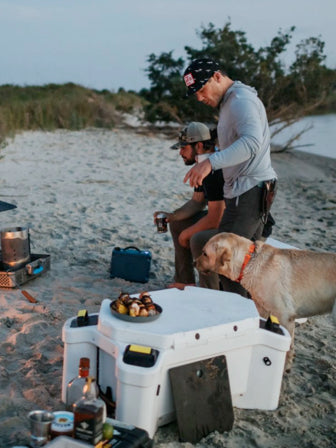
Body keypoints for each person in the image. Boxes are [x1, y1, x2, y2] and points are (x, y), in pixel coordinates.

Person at [183, 58, 277, 296]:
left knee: (227, 264)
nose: (199, 98)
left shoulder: (240, 101)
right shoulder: (230, 102)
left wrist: (210, 164)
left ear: (217, 76)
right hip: (244, 192)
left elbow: (252, 142)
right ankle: (243, 317)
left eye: (201, 90)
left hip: (249, 192)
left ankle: (231, 320)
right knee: (243, 264)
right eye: (195, 93)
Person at [154, 122, 225, 290]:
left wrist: (187, 234)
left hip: (238, 220)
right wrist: (172, 216)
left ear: (199, 146)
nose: (180, 152)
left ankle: (210, 291)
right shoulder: (202, 165)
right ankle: (185, 281)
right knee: (178, 224)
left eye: (184, 148)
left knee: (197, 238)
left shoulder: (214, 168)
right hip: (222, 215)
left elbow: (216, 219)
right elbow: (197, 202)